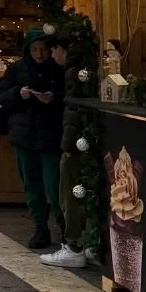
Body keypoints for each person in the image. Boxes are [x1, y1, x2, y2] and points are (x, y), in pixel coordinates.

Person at [0, 26, 66, 250]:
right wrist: (19, 94)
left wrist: (53, 98)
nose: (39, 54)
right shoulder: (16, 69)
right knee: (32, 185)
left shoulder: (57, 70)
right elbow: (2, 96)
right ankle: (40, 228)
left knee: (54, 186)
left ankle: (65, 229)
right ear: (28, 50)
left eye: (43, 49)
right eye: (35, 50)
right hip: (24, 135)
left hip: (50, 135)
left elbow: (67, 96)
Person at [41, 35, 92, 267]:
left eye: (53, 51)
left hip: (76, 144)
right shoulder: (83, 69)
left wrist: (67, 147)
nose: (51, 56)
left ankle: (74, 246)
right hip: (84, 141)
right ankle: (88, 242)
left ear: (61, 49)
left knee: (70, 193)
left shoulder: (74, 73)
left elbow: (73, 114)